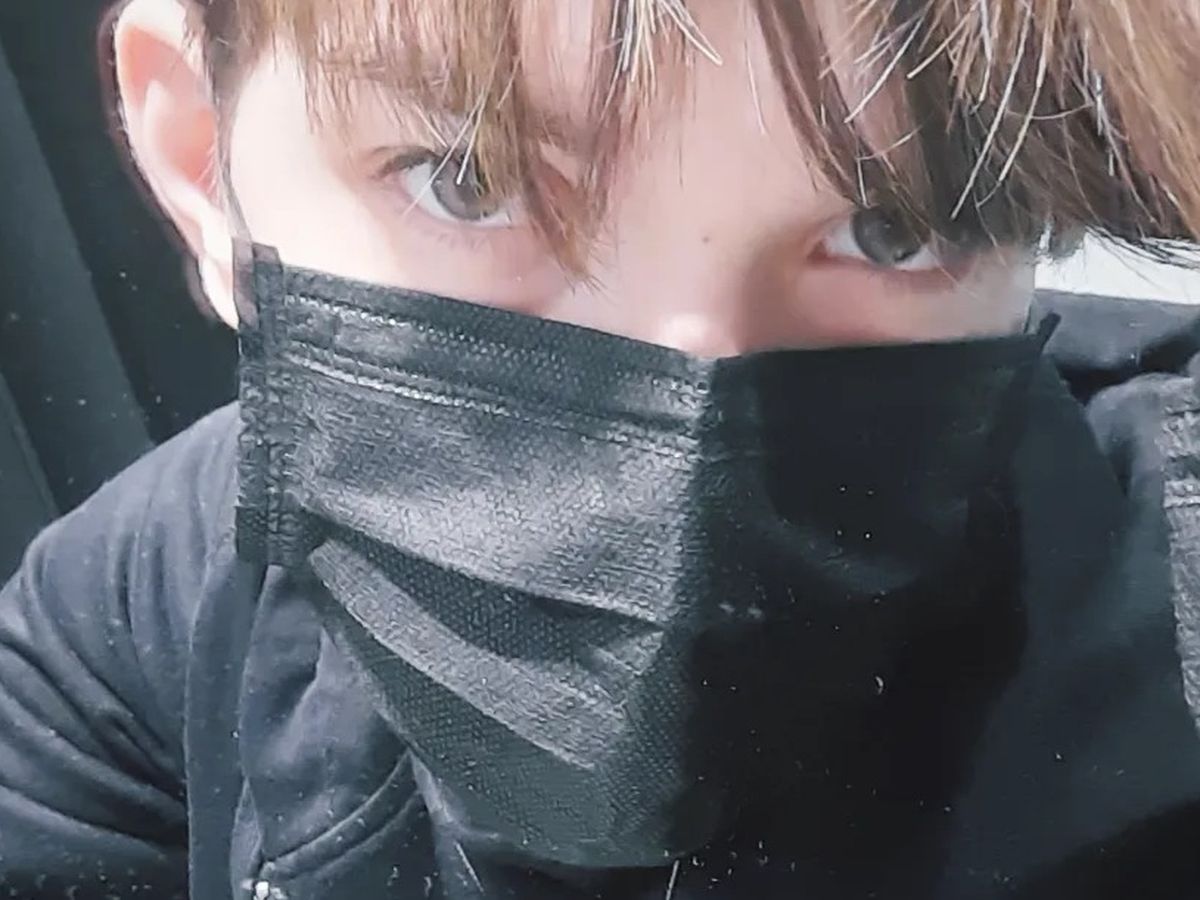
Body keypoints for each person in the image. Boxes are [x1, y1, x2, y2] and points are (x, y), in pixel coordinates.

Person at [3, 0, 1200, 897]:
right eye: (469, 180)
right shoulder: (150, 596)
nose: (680, 456)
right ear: (205, 160)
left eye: (893, 229)